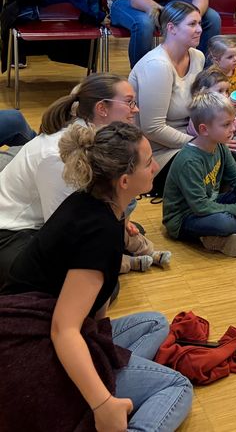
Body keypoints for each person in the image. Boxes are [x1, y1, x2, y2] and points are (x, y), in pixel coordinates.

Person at [1, 122, 193, 429]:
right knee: (178, 387)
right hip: (29, 350)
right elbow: (63, 330)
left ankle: (104, 378)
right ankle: (91, 394)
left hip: (47, 328)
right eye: (148, 162)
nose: (156, 165)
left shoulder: (94, 202)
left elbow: (93, 310)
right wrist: (103, 403)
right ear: (125, 180)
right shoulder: (99, 231)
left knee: (155, 322)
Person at [0, 74, 142, 284]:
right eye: (129, 102)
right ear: (102, 108)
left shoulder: (91, 136)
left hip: (41, 220)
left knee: (110, 237)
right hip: (11, 229)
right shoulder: (60, 155)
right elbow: (59, 228)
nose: (136, 109)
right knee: (99, 285)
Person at [162, 92, 236, 257]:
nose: (233, 128)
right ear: (204, 130)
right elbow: (200, 207)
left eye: (232, 122)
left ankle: (215, 238)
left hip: (210, 204)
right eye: (226, 124)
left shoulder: (219, 146)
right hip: (185, 218)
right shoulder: (190, 162)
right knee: (223, 222)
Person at [129, 1, 206, 174]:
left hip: (190, 135)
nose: (200, 29)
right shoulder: (157, 65)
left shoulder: (197, 56)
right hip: (160, 151)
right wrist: (200, 143)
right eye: (192, 24)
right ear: (172, 28)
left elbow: (199, 106)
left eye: (200, 23)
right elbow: (153, 129)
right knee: (218, 155)